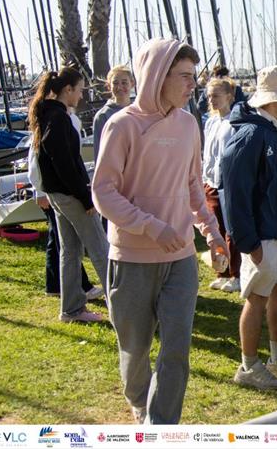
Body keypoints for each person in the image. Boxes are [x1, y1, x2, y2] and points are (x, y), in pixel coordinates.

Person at [92, 39, 227, 425]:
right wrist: (151, 226)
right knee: (134, 350)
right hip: (132, 260)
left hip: (181, 258)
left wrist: (212, 233)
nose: (192, 85)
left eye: (193, 77)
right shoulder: (122, 125)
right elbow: (103, 192)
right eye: (184, 76)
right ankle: (138, 400)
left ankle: (161, 427)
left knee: (176, 350)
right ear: (156, 76)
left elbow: (193, 185)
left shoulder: (188, 124)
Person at [221, 64, 277, 391]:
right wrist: (248, 241)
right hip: (262, 235)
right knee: (257, 298)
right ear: (275, 97)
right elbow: (235, 192)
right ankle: (248, 366)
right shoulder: (252, 133)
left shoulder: (273, 127)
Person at [28, 67, 109, 323]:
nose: (81, 95)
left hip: (59, 194)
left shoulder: (50, 115)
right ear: (68, 89)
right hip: (69, 195)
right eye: (80, 90)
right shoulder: (58, 118)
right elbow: (64, 163)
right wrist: (85, 197)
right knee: (100, 248)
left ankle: (72, 309)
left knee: (71, 250)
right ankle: (126, 309)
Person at [201, 78, 240, 292]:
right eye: (209, 96)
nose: (212, 100)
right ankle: (222, 271)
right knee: (216, 228)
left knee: (231, 230)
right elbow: (208, 154)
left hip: (227, 182)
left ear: (229, 96)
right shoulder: (210, 122)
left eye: (216, 95)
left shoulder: (235, 123)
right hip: (210, 182)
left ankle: (236, 273)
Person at [93, 66, 134, 162]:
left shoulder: (140, 112)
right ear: (109, 86)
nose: (119, 87)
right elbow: (99, 152)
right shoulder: (103, 116)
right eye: (115, 83)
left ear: (132, 83)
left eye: (124, 82)